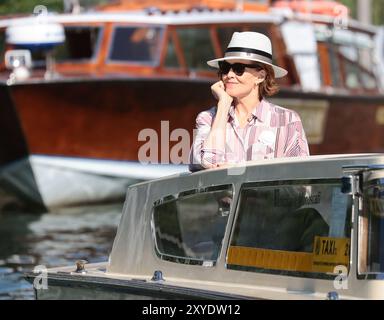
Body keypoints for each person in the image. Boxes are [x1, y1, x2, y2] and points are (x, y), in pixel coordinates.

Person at [189, 31, 309, 172]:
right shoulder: (207, 119)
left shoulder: (288, 120)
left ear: (260, 76)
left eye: (239, 69)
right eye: (225, 68)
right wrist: (223, 105)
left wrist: (240, 171)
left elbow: (300, 177)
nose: (229, 75)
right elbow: (208, 161)